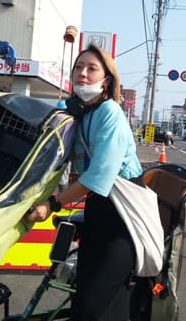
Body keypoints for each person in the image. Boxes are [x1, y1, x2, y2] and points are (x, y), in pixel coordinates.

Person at [26, 44, 143, 321]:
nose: (83, 73)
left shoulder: (109, 113)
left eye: (92, 69)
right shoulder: (79, 113)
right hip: (97, 207)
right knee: (85, 295)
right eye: (78, 67)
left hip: (124, 214)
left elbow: (99, 176)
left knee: (94, 304)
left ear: (106, 80)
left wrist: (53, 203)